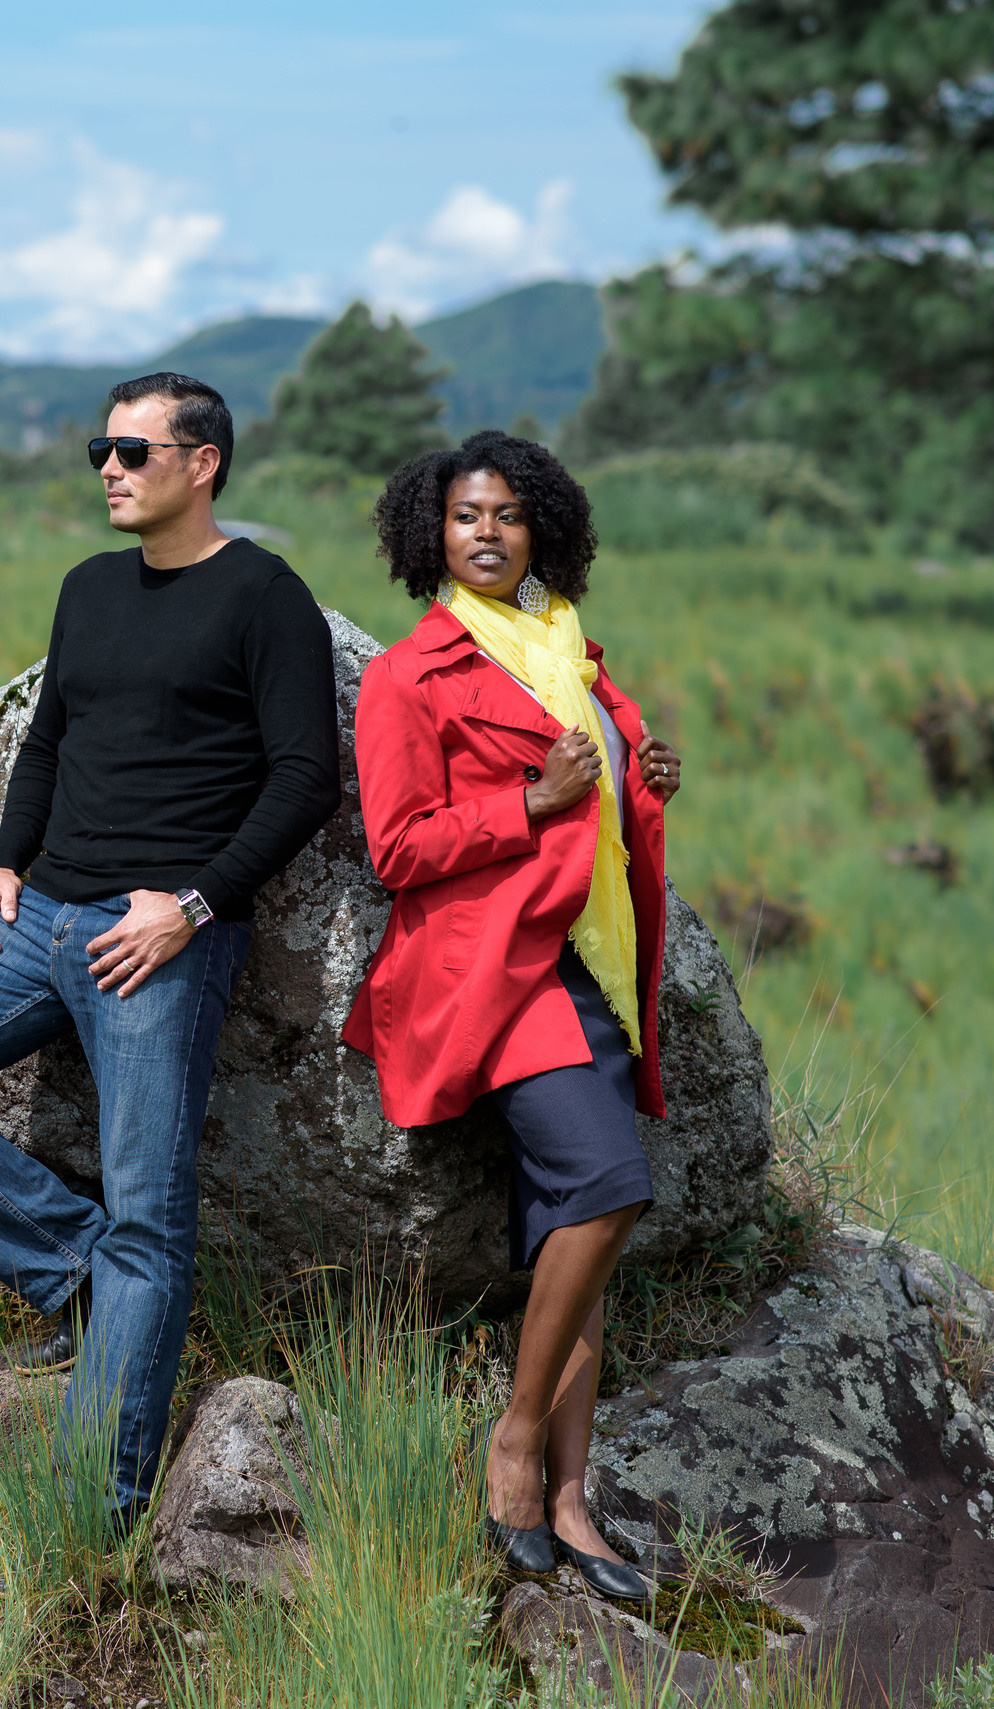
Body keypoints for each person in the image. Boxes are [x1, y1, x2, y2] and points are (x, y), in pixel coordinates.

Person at [0, 373, 343, 1523]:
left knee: (151, 1212)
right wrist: (1, 864)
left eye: (131, 450)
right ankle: (75, 1270)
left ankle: (88, 1512)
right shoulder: (88, 588)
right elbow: (48, 742)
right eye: (99, 450)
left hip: (153, 941)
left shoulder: (266, 596)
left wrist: (194, 906)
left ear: (201, 463)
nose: (107, 468)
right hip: (37, 916)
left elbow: (307, 776)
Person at [340, 430, 683, 1604]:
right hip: (496, 968)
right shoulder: (409, 674)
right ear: (427, 535)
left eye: (505, 516)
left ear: (541, 528)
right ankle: (515, 1442)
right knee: (608, 1182)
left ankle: (573, 1506)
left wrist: (643, 771)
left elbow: (606, 785)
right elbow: (396, 848)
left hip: (586, 961)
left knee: (566, 1239)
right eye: (462, 517)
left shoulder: (566, 648)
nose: (484, 533)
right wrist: (526, 799)